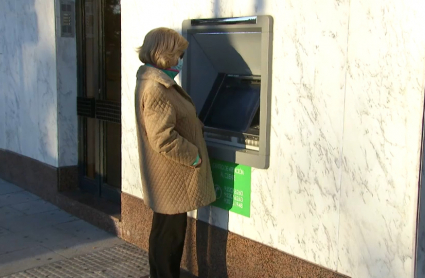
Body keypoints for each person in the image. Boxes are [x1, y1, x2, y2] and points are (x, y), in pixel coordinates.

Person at [134, 27, 216, 278]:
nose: (180, 60)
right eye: (178, 54)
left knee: (162, 233)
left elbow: (172, 120)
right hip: (172, 176)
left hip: (164, 176)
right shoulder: (157, 87)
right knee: (171, 238)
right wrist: (194, 156)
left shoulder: (152, 82)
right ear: (165, 54)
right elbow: (163, 137)